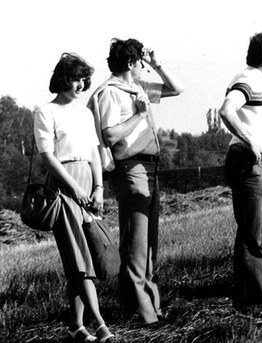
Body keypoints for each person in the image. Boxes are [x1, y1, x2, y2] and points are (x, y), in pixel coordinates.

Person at [88, 38, 184, 326]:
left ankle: (148, 305)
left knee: (149, 242)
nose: (145, 69)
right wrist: (140, 115)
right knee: (137, 242)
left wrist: (158, 64)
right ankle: (143, 312)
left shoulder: (137, 87)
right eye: (142, 63)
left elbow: (176, 89)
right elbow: (109, 135)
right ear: (131, 64)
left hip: (150, 166)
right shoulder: (109, 93)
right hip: (130, 166)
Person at [34, 53, 114, 342]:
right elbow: (47, 157)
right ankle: (102, 326)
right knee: (80, 260)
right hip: (62, 185)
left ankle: (76, 327)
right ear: (62, 79)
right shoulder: (46, 112)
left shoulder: (84, 112)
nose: (80, 85)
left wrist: (98, 188)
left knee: (85, 254)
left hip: (88, 182)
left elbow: (94, 152)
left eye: (83, 79)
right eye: (75, 78)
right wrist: (75, 189)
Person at [219, 32, 262, 310]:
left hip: (259, 162)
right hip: (248, 161)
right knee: (253, 235)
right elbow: (226, 111)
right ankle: (251, 305)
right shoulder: (247, 79)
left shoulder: (255, 79)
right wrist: (251, 142)